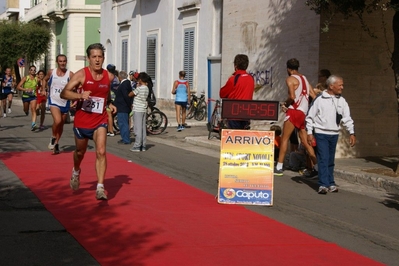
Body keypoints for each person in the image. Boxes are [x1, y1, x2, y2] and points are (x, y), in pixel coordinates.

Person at [60, 43, 116, 201]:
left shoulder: (109, 77)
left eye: (100, 57)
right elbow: (64, 93)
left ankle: (100, 188)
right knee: (80, 153)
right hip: (82, 122)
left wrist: (110, 104)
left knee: (101, 152)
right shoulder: (81, 75)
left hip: (100, 120)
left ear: (103, 58)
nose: (97, 60)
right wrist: (79, 96)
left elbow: (106, 96)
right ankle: (76, 171)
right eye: (94, 57)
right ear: (88, 59)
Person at [306, 75, 356, 194]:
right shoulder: (319, 100)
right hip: (321, 133)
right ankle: (323, 184)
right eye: (340, 85)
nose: (342, 87)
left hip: (334, 134)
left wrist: (352, 132)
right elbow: (310, 117)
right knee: (323, 158)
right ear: (331, 86)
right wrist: (309, 133)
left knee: (330, 159)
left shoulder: (342, 100)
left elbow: (347, 117)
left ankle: (331, 182)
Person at [274, 58, 317, 176]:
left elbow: (292, 96)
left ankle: (279, 166)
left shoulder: (290, 79)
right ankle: (316, 167)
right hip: (303, 112)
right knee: (305, 141)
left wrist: (285, 104)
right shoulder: (304, 79)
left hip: (293, 111)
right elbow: (313, 95)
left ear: (288, 69)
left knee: (285, 138)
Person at [43, 54, 74, 154]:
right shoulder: (52, 72)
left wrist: (75, 98)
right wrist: (44, 89)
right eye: (60, 61)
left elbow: (77, 85)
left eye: (64, 61)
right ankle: (53, 137)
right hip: (54, 100)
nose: (62, 63)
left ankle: (56, 143)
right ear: (57, 62)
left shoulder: (70, 74)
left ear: (66, 62)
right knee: (57, 120)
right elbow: (44, 79)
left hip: (65, 102)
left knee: (61, 125)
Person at [219, 54, 254, 129]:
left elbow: (222, 93)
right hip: (246, 113)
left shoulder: (234, 79)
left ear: (235, 65)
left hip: (234, 114)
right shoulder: (251, 78)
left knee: (234, 137)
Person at [130, 72, 150, 152]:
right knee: (142, 128)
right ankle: (143, 145)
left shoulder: (139, 88)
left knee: (137, 128)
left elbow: (130, 94)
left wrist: (137, 87)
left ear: (140, 80)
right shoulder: (146, 88)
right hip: (143, 109)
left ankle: (137, 145)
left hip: (137, 109)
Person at [114, 71, 133, 144]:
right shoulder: (126, 83)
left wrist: (129, 104)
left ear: (120, 77)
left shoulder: (124, 84)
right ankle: (124, 138)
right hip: (123, 106)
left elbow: (126, 96)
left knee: (123, 123)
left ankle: (126, 139)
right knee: (123, 123)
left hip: (123, 107)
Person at [17, 65, 38, 130]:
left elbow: (41, 84)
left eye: (34, 70)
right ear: (29, 71)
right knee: (25, 109)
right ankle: (26, 111)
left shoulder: (37, 78)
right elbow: (18, 87)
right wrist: (26, 89)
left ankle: (33, 124)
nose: (33, 71)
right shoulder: (25, 78)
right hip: (25, 96)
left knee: (33, 109)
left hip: (33, 96)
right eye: (31, 70)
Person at [106, 64, 119, 137]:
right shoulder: (116, 78)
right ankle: (109, 129)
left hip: (111, 98)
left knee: (109, 114)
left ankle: (110, 131)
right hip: (115, 97)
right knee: (111, 115)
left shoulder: (110, 77)